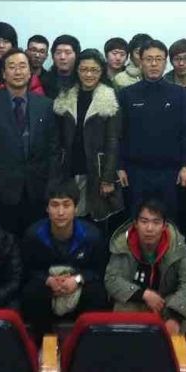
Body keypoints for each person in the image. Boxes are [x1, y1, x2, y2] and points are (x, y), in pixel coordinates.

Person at [0, 48, 61, 235]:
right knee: (5, 236)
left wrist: (52, 181)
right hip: (1, 185)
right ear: (4, 73)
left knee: (36, 235)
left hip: (37, 186)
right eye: (12, 67)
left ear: (30, 73)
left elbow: (53, 148)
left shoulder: (45, 104)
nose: (18, 71)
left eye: (22, 66)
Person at [20, 180, 108, 338]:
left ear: (76, 208)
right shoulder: (33, 235)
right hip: (48, 289)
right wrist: (47, 279)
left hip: (77, 287)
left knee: (97, 293)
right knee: (32, 292)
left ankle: (85, 342)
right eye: (55, 205)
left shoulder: (92, 235)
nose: (60, 212)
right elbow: (26, 270)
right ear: (47, 208)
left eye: (66, 205)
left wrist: (77, 280)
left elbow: (99, 271)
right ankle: (46, 342)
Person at [118, 40, 186, 220]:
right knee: (137, 220)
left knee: (169, 222)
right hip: (136, 172)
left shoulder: (179, 93)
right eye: (149, 59)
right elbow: (119, 134)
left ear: (165, 62)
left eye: (159, 59)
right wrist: (119, 167)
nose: (154, 64)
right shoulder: (126, 94)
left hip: (170, 172)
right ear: (140, 62)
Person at [53, 49, 123, 236]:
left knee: (94, 221)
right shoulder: (65, 96)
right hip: (68, 168)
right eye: (84, 69)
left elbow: (113, 141)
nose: (89, 74)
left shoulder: (109, 98)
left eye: (94, 70)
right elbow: (56, 139)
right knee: (68, 220)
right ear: (77, 70)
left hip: (95, 170)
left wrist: (108, 178)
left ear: (102, 72)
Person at [105, 199, 186, 334]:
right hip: (135, 300)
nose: (149, 228)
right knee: (122, 309)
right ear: (136, 224)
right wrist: (143, 294)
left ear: (164, 225)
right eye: (144, 222)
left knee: (181, 314)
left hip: (166, 302)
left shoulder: (177, 245)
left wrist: (175, 316)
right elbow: (111, 279)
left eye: (156, 222)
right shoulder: (122, 244)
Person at [41, 34, 80, 99]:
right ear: (53, 56)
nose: (62, 57)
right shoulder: (44, 81)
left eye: (68, 53)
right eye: (58, 53)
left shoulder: (82, 81)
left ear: (76, 55)